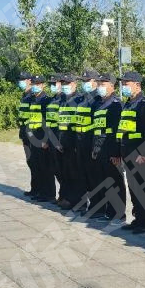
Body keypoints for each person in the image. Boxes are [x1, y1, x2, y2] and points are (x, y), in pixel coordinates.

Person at [117, 71, 145, 233]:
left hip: (139, 154)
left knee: (142, 189)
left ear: (137, 85)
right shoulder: (128, 103)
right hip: (127, 151)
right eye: (123, 83)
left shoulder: (144, 104)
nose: (124, 86)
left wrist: (144, 153)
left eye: (127, 83)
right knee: (133, 187)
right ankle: (138, 218)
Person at [90, 73, 125, 222]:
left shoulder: (116, 104)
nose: (100, 87)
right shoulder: (98, 104)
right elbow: (97, 129)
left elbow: (118, 131)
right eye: (99, 84)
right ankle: (109, 212)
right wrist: (94, 148)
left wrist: (117, 153)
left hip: (111, 150)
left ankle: (118, 214)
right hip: (99, 149)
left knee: (115, 182)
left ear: (112, 86)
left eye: (103, 84)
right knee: (104, 182)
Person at [76, 70, 101, 215]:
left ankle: (96, 207)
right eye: (83, 81)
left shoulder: (98, 100)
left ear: (95, 82)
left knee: (94, 178)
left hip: (91, 144)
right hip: (80, 143)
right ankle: (88, 205)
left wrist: (95, 146)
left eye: (87, 81)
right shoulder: (82, 98)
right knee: (84, 176)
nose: (84, 83)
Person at [28, 75, 56, 202]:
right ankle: (40, 191)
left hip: (42, 137)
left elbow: (46, 122)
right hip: (34, 137)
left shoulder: (46, 100)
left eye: (38, 84)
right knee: (37, 166)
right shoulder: (33, 99)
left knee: (46, 167)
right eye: (33, 84)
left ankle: (48, 194)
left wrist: (46, 140)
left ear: (43, 85)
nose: (35, 86)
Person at [57, 73, 82, 210]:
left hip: (73, 142)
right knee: (65, 172)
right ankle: (65, 197)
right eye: (63, 83)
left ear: (74, 84)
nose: (64, 86)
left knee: (74, 173)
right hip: (63, 141)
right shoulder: (62, 99)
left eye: (67, 83)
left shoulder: (79, 99)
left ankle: (76, 201)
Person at [17, 71, 35, 197]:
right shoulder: (24, 96)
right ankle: (35, 188)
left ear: (29, 81)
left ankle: (43, 190)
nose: (20, 82)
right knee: (31, 162)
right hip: (25, 134)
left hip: (32, 134)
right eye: (20, 80)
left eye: (23, 79)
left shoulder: (32, 96)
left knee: (36, 163)